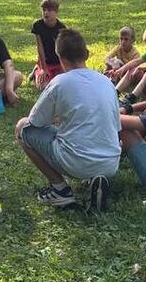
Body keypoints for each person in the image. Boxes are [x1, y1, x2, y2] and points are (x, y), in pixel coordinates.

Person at [16, 28, 121, 212]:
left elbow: (35, 122)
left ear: (60, 57)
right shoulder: (107, 82)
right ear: (86, 54)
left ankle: (60, 188)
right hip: (111, 162)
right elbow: (116, 126)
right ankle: (94, 178)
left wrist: (55, 118)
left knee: (22, 127)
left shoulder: (60, 82)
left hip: (75, 161)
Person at [30, 0, 66, 90]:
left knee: (61, 85)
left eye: (49, 10)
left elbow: (61, 50)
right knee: (44, 87)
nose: (46, 13)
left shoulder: (61, 29)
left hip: (58, 62)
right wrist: (44, 68)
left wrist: (63, 68)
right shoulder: (37, 25)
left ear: (56, 12)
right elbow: (40, 46)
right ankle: (37, 70)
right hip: (45, 62)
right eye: (44, 10)